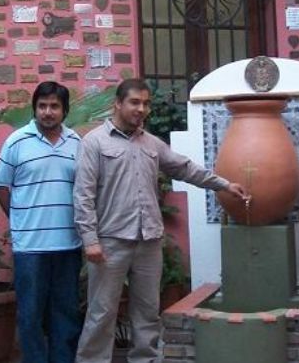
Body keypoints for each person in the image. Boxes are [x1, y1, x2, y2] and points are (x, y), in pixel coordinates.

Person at [73, 79, 248, 363]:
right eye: (134, 102)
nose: (141, 109)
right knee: (101, 312)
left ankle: (146, 359)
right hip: (110, 243)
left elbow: (184, 168)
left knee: (147, 311)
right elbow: (83, 195)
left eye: (146, 104)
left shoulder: (151, 143)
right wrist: (90, 240)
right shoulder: (94, 142)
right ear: (117, 103)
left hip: (148, 241)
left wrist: (223, 185)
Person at [0, 81, 82, 363]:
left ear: (65, 110)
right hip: (30, 246)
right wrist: (21, 219)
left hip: (69, 244)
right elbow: (1, 187)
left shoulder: (77, 143)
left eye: (54, 106)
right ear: (34, 109)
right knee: (30, 314)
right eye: (42, 106)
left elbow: (84, 189)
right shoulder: (16, 141)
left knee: (66, 312)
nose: (47, 112)